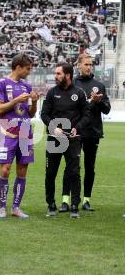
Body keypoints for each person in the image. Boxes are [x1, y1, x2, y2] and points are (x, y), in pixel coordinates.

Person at [58, 54, 111, 213]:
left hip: (93, 132)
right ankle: (65, 200)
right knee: (71, 167)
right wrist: (88, 102)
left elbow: (107, 110)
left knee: (90, 167)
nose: (89, 67)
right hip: (74, 131)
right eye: (86, 64)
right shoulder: (72, 84)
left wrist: (98, 101)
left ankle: (86, 200)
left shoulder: (99, 85)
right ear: (79, 65)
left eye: (91, 64)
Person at [0, 53, 41, 219]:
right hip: (8, 133)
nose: (29, 72)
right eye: (27, 69)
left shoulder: (27, 86)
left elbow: (31, 114)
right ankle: (2, 208)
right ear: (18, 67)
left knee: (22, 170)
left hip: (25, 133)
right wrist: (16, 100)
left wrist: (34, 102)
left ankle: (16, 208)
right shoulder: (1, 83)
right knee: (5, 169)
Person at [41, 62, 91, 219]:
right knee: (51, 173)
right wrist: (52, 126)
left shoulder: (79, 93)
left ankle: (74, 206)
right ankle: (51, 205)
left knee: (74, 173)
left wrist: (78, 127)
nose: (55, 76)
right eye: (55, 74)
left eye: (58, 74)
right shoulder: (51, 93)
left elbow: (86, 114)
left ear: (67, 75)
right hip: (55, 139)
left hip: (73, 139)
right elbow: (44, 114)